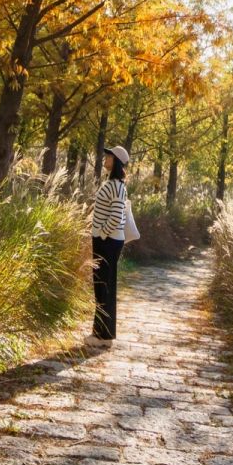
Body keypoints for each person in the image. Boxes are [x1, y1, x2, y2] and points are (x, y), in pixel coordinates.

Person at [91, 143, 129, 341]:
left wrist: (101, 234)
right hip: (106, 240)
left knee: (104, 286)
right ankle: (101, 332)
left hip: (107, 242)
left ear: (116, 162)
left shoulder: (116, 186)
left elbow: (116, 216)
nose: (105, 159)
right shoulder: (113, 184)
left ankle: (102, 334)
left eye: (109, 157)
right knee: (101, 285)